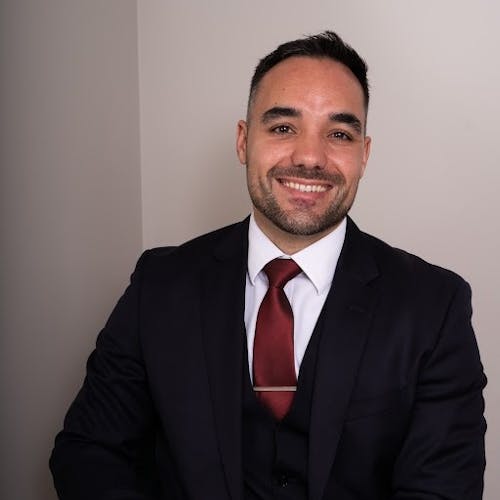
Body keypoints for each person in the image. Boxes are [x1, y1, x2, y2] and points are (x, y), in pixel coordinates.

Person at [50, 31, 486, 500]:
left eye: (339, 134)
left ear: (364, 155)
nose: (310, 157)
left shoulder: (434, 306)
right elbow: (90, 454)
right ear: (243, 141)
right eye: (282, 128)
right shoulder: (159, 285)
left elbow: (443, 489)